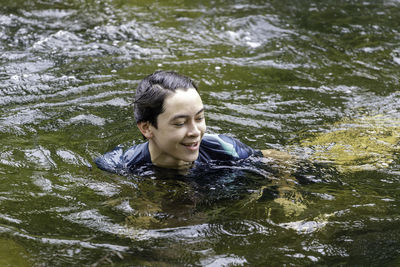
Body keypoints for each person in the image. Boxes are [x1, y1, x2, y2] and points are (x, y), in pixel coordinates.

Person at [95, 71, 282, 175]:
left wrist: (287, 194)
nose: (195, 132)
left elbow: (279, 160)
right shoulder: (118, 165)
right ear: (147, 128)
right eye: (180, 123)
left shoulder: (224, 149)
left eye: (199, 118)